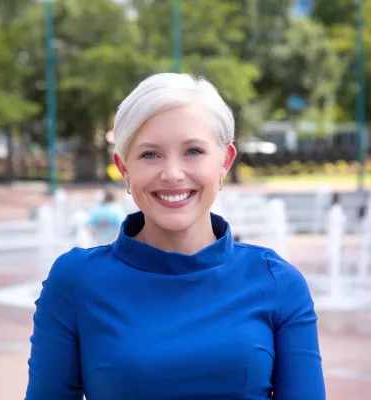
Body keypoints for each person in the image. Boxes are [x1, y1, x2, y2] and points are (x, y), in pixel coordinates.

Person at [25, 73, 325, 399]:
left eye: (193, 151)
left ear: (224, 162)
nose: (172, 174)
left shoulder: (278, 283)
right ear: (124, 169)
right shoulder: (74, 281)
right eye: (150, 154)